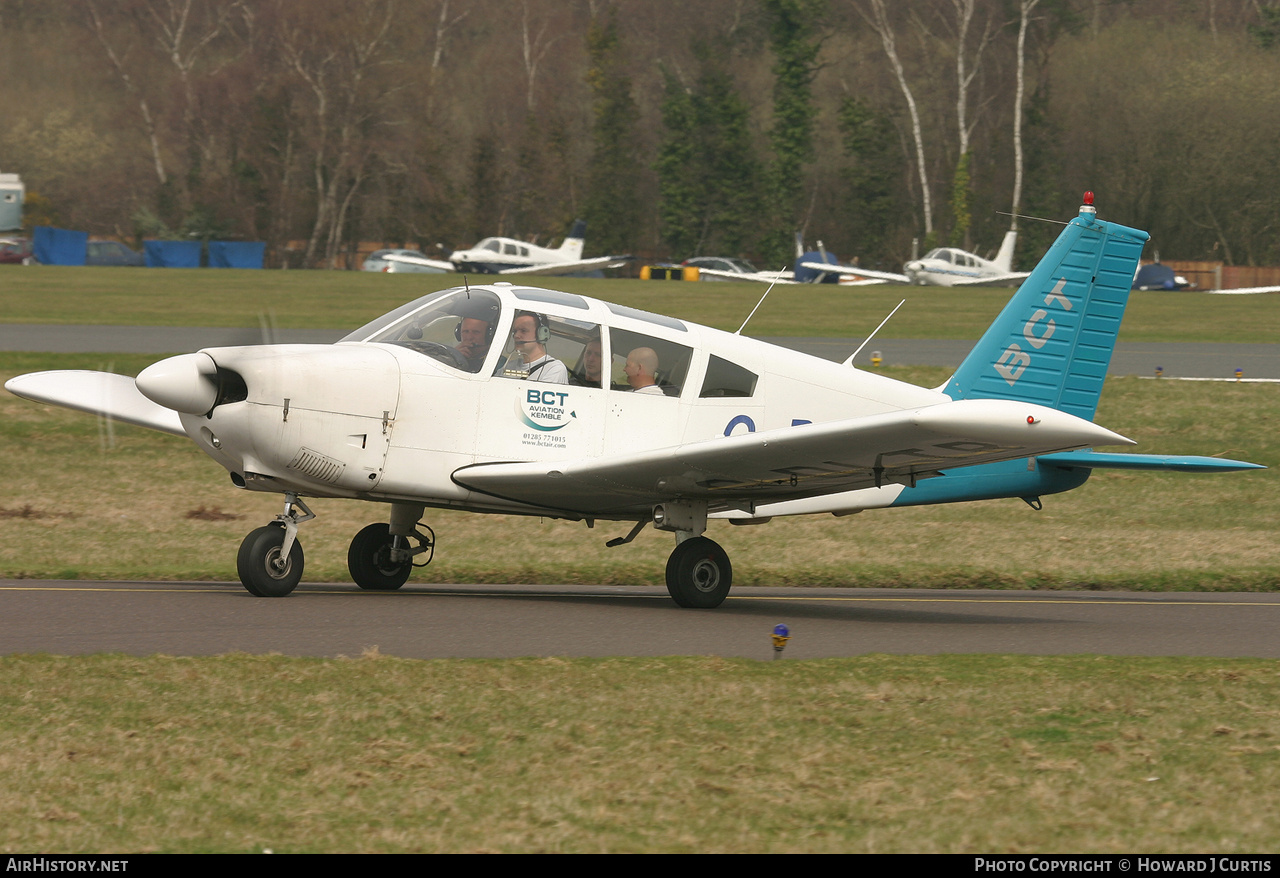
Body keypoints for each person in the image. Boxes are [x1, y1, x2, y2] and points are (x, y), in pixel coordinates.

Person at [505, 311, 568, 384]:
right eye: (515, 331)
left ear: (541, 334)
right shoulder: (510, 366)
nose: (516, 335)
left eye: (523, 331)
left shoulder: (554, 368)